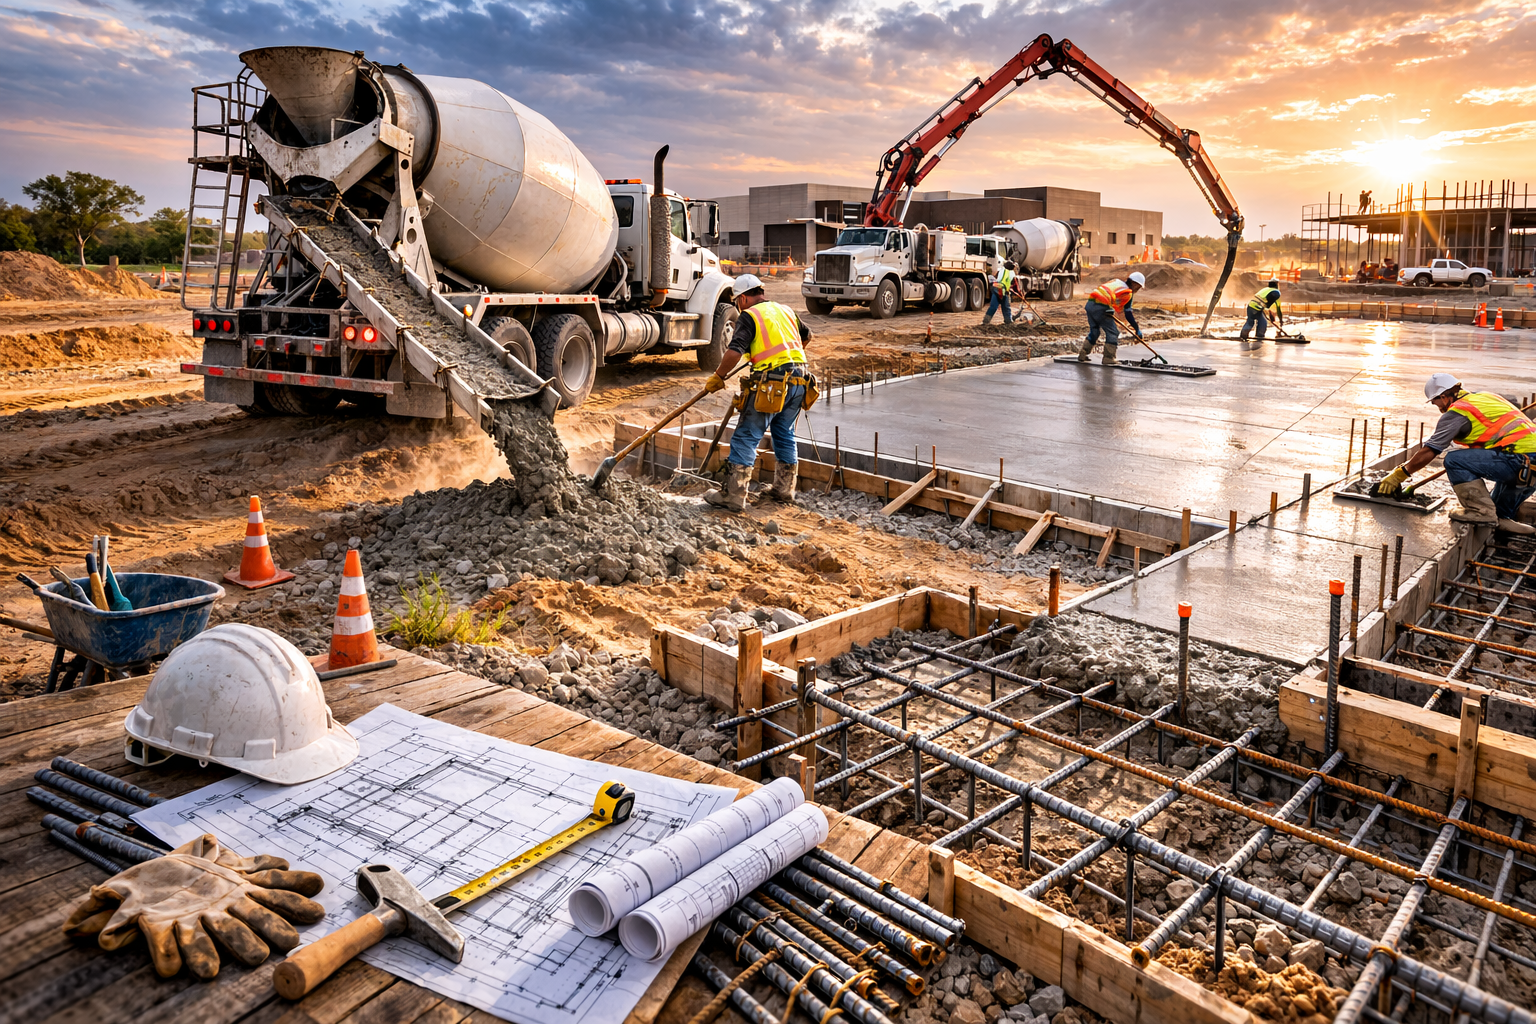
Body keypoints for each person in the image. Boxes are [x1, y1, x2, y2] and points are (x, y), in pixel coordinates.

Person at [701, 274, 813, 512]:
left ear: (742, 299)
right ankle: (784, 490)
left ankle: (733, 495)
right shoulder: (785, 310)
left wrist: (718, 376)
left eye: (736, 303)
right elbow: (807, 336)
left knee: (746, 435)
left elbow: (734, 351)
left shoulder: (749, 315)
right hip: (800, 380)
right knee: (784, 433)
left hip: (772, 384)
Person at [1375, 373, 1536, 534]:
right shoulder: (1486, 397)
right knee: (1497, 516)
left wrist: (1399, 474)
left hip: (1519, 463)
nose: (1436, 407)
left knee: (1454, 460)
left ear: (1444, 397)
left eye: (1435, 402)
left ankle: (1480, 511)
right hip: (1529, 468)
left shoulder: (1458, 412)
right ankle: (1504, 520)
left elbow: (1430, 450)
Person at [1076, 271, 1144, 365]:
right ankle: (1109, 357)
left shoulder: (1117, 282)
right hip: (1101, 305)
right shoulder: (1128, 292)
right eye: (1139, 287)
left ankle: (1083, 353)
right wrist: (1137, 329)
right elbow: (1128, 313)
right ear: (1135, 284)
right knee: (1113, 332)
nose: (1138, 289)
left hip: (1090, 304)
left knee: (1095, 331)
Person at [982, 260, 1017, 326]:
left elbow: (999, 279)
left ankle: (986, 321)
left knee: (993, 306)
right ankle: (1008, 321)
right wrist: (1018, 291)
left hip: (996, 288)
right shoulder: (1011, 273)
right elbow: (1014, 283)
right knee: (1006, 307)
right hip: (1001, 290)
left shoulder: (1001, 270)